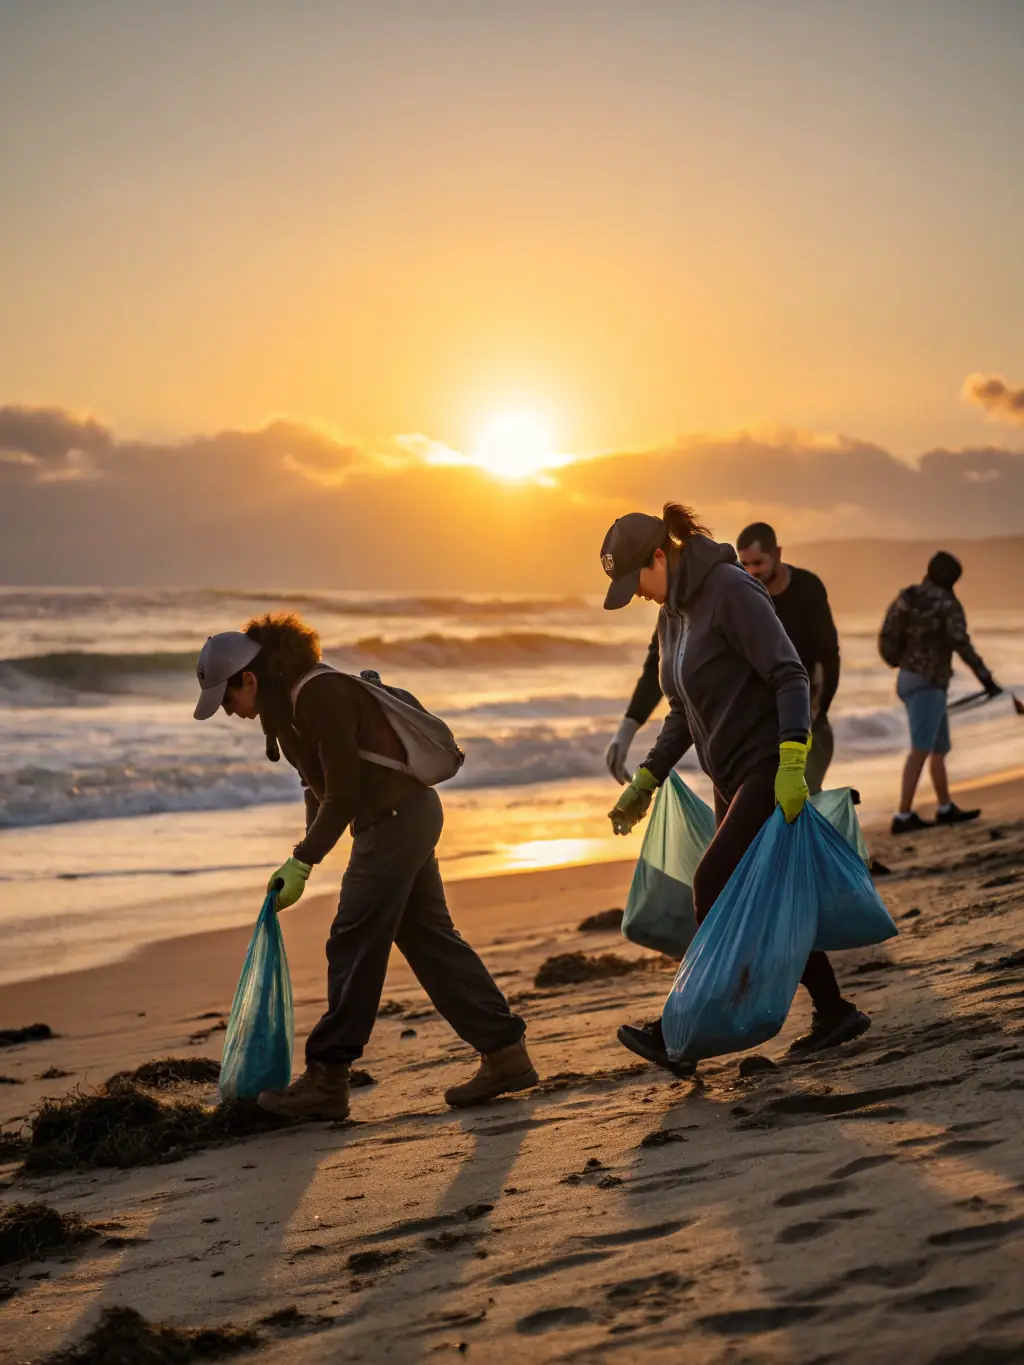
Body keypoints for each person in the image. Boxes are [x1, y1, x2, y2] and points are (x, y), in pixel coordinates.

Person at [193, 613, 537, 1120]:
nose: (228, 712)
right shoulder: (283, 712)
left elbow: (345, 791)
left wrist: (304, 861)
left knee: (352, 938)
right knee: (429, 939)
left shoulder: (318, 694)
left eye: (227, 699)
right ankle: (506, 1055)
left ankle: (328, 1079)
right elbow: (318, 788)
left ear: (249, 678)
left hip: (400, 818)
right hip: (394, 821)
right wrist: (302, 852)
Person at [601, 505, 869, 1070]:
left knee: (713, 886)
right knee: (763, 890)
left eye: (637, 581)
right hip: (727, 773)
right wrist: (647, 778)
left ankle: (684, 1034)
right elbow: (683, 710)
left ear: (659, 555)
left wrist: (794, 759)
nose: (639, 595)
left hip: (768, 765)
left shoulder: (730, 590)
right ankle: (834, 1010)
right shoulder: (672, 612)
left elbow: (789, 672)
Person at [605, 522, 841, 796]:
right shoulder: (676, 612)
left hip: (784, 739)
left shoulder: (739, 589)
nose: (751, 571)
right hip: (730, 765)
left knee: (803, 813)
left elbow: (814, 662)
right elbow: (675, 693)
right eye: (746, 563)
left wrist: (811, 721)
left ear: (777, 554)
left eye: (758, 563)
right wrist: (632, 736)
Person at [879, 551, 1001, 834]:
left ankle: (945, 808)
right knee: (921, 750)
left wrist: (898, 661)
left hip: (909, 678)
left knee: (938, 748)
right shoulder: (947, 603)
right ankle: (902, 814)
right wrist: (986, 679)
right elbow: (961, 643)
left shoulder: (908, 596)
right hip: (929, 683)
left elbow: (887, 634)